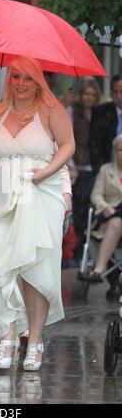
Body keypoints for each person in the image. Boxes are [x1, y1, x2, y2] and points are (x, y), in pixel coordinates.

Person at [0, 56, 75, 371]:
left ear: (38, 81)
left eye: (27, 78)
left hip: (40, 194)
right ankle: (7, 336)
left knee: (35, 269)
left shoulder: (51, 110)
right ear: (8, 78)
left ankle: (36, 340)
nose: (20, 83)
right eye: (15, 76)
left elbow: (68, 145)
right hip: (1, 197)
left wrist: (48, 171)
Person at [88, 74, 122, 298]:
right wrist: (106, 168)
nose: (120, 96)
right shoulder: (103, 112)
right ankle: (108, 276)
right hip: (111, 208)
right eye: (116, 91)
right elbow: (94, 144)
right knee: (116, 222)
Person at [78, 135, 122, 286]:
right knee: (117, 222)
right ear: (115, 152)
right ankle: (99, 269)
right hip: (109, 218)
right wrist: (105, 207)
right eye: (121, 149)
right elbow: (95, 195)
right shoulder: (105, 170)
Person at [68, 81, 101, 256]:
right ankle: (72, 250)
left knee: (87, 209)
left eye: (92, 94)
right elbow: (67, 139)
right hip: (74, 167)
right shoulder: (72, 112)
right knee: (74, 209)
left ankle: (82, 248)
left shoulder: (98, 114)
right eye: (85, 94)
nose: (88, 97)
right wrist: (71, 165)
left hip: (91, 167)